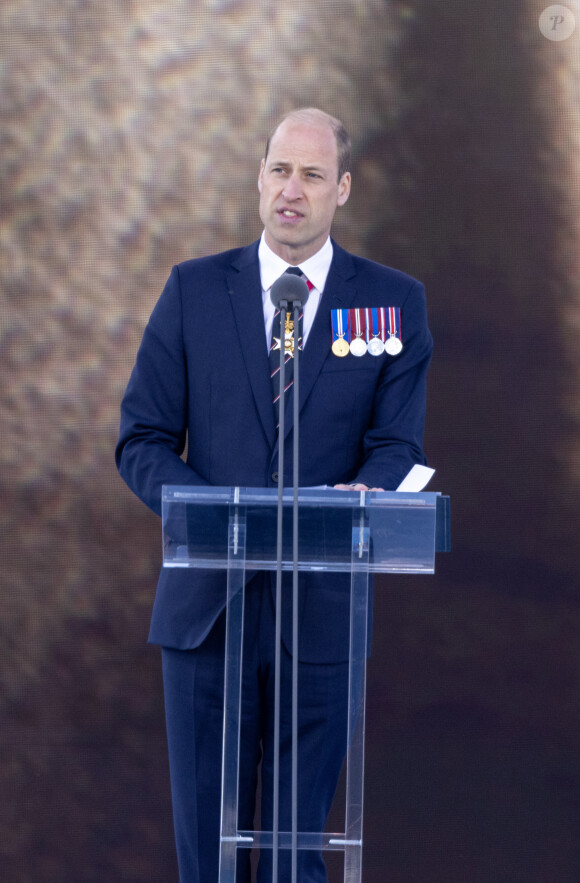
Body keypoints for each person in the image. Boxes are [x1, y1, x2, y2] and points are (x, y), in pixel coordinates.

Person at [116, 107, 432, 882]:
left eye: (313, 175)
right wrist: (210, 515)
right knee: (207, 857)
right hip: (207, 617)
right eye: (280, 171)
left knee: (294, 857)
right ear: (260, 178)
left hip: (319, 618)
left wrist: (371, 489)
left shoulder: (391, 301)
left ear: (343, 189)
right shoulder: (193, 290)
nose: (293, 190)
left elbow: (397, 446)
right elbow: (143, 439)